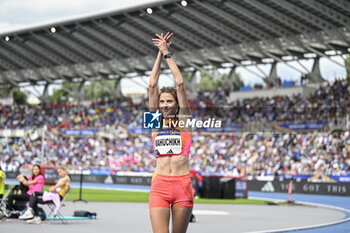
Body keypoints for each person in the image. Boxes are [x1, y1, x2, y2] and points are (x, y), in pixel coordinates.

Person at [149, 32, 193, 233]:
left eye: (169, 101)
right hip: (159, 185)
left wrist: (167, 53)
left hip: (182, 185)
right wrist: (159, 53)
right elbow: (152, 85)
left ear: (176, 104)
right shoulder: (154, 123)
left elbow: (180, 83)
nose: (165, 105)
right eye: (162, 102)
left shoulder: (184, 123)